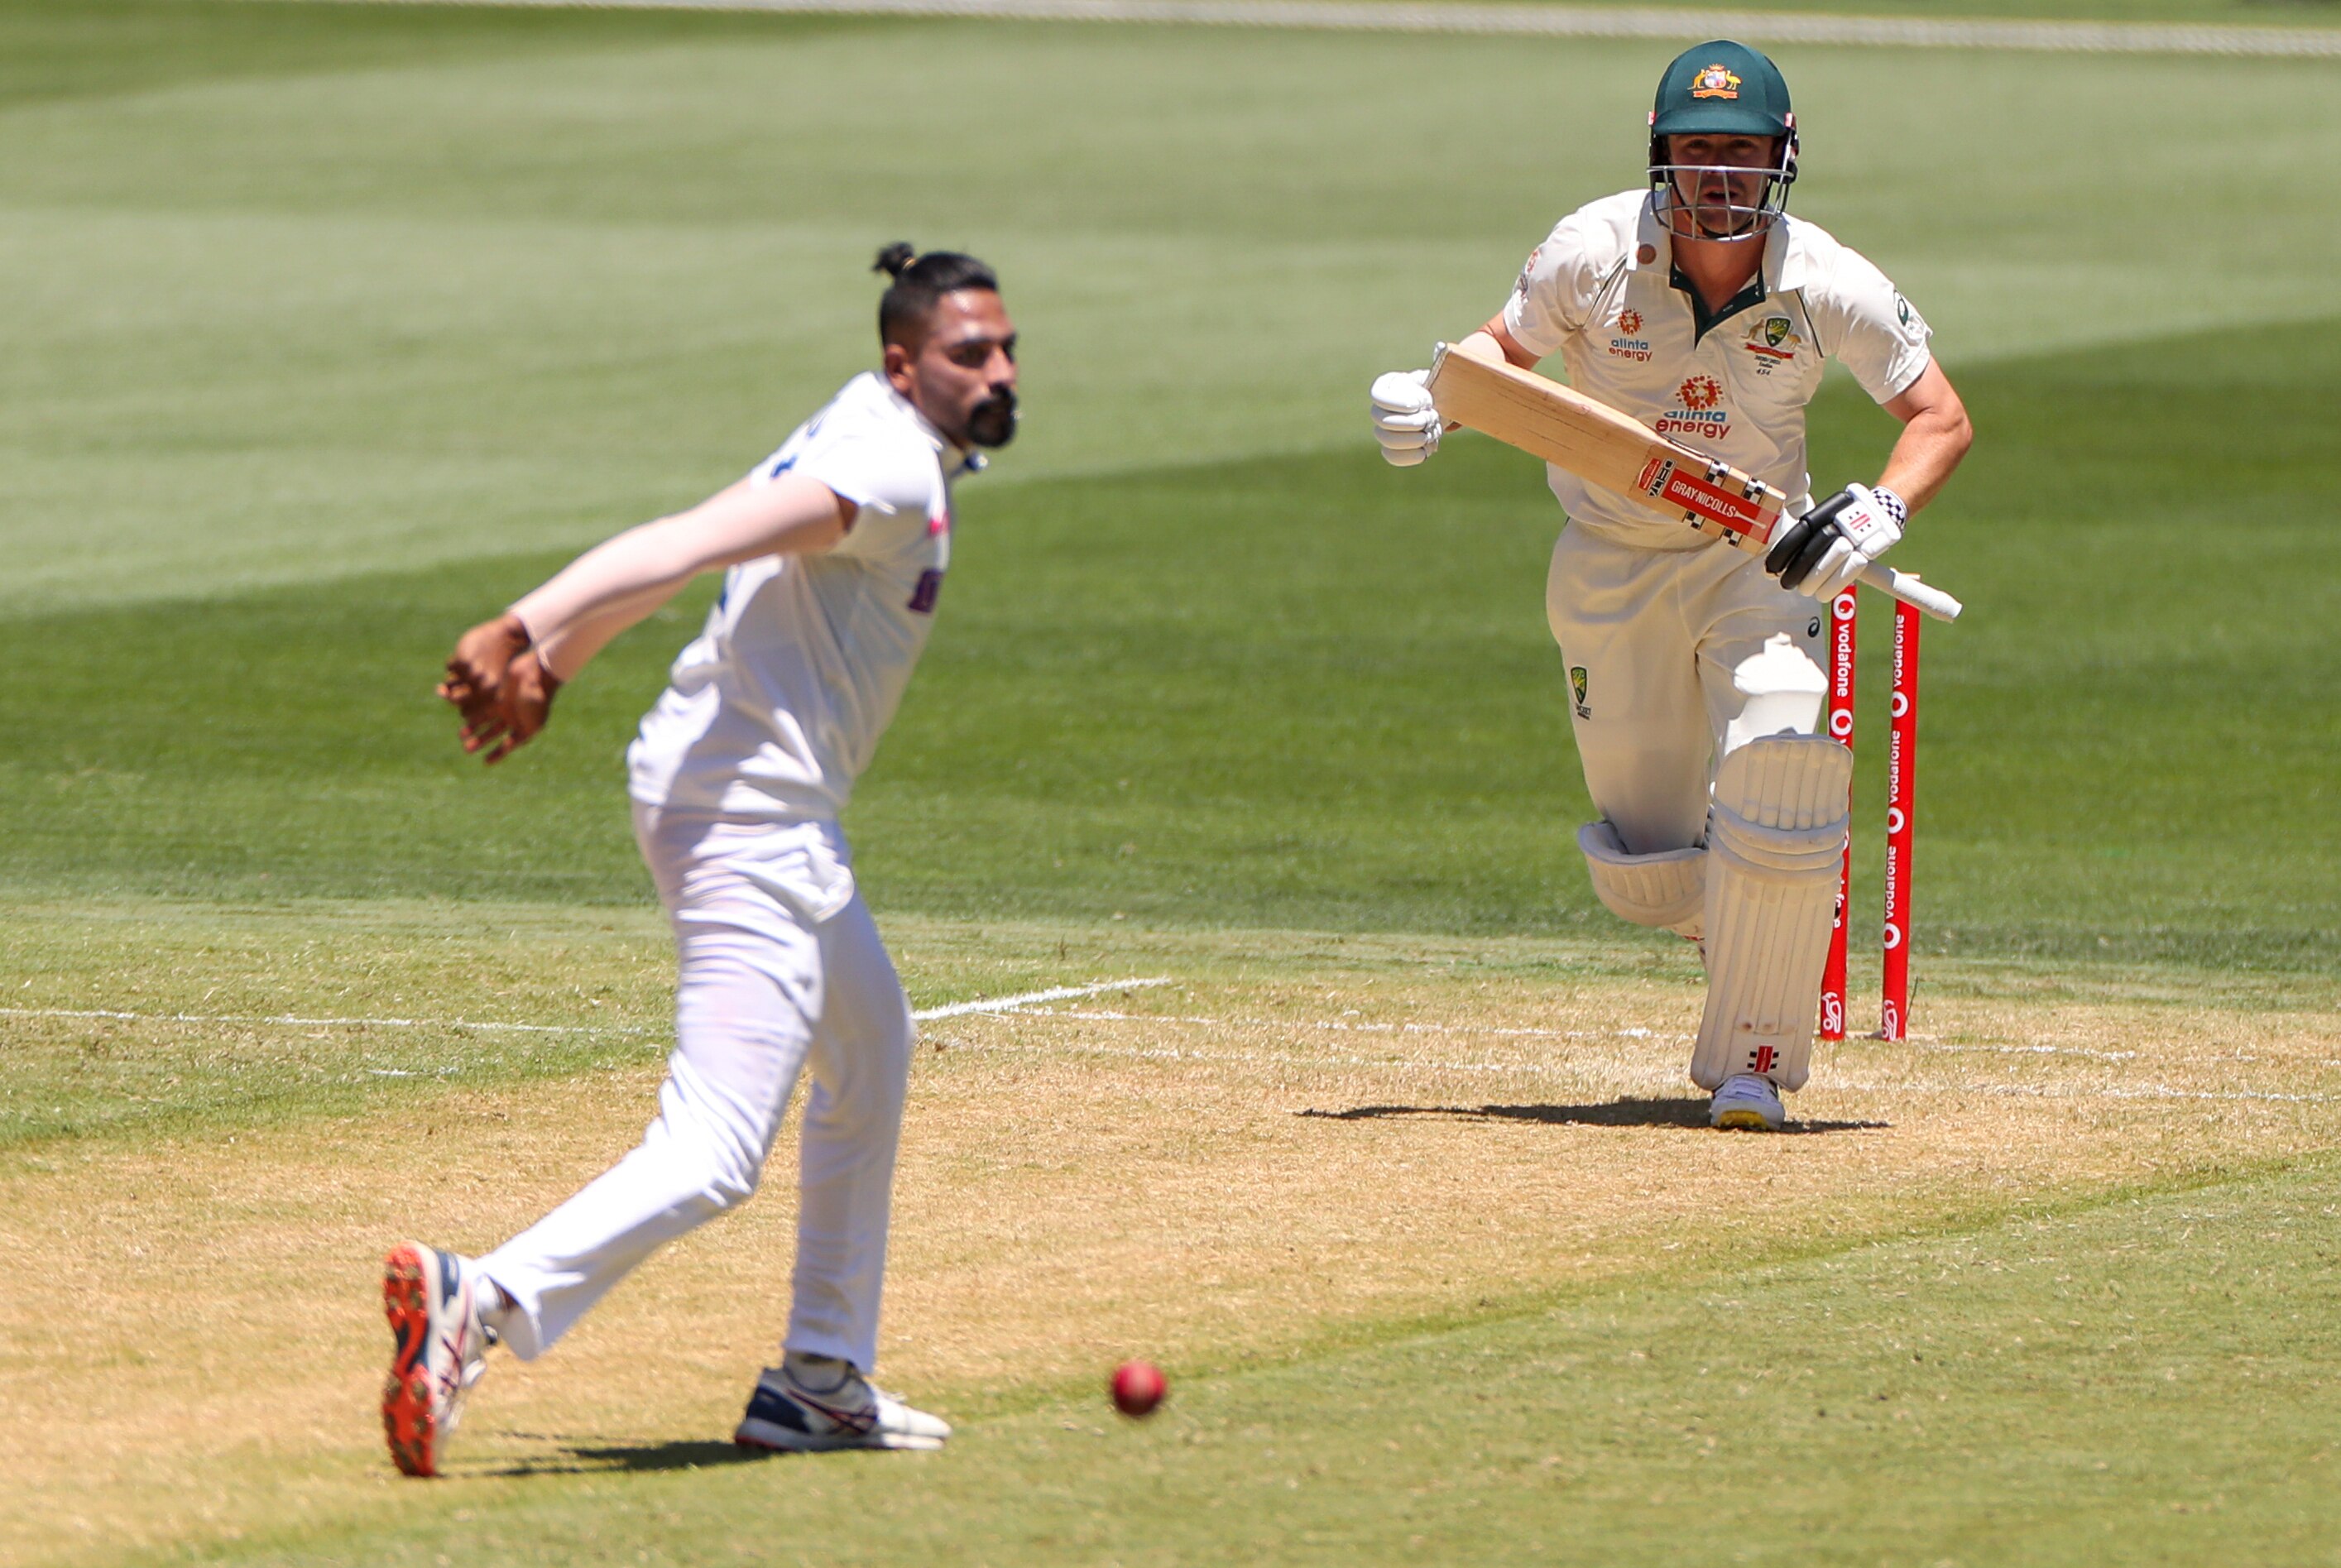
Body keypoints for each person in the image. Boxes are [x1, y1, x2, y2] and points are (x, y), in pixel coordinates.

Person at [380, 244, 1019, 1477]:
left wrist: (557, 664)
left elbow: (704, 550)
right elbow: (687, 541)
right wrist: (523, 625)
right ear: (906, 364)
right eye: (967, 355)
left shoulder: (866, 422)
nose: (996, 373)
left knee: (870, 1045)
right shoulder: (881, 465)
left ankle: (819, 1382)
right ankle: (483, 1298)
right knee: (717, 1147)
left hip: (754, 804)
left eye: (1004, 350)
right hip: (747, 818)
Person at [1369, 41, 1971, 1131]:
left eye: (1741, 153)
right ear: (1663, 161)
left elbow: (1940, 417)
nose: (1719, 176)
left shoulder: (1825, 278)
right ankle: (1738, 917)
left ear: (1780, 161)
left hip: (1753, 564)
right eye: (1697, 151)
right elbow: (1501, 354)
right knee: (1648, 870)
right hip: (1608, 569)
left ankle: (1752, 1065)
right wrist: (1430, 403)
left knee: (1785, 752)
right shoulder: (1589, 251)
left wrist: (1876, 512)